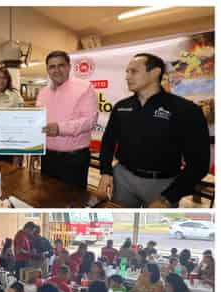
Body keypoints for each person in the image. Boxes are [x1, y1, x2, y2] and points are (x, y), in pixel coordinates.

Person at [97, 53, 210, 208]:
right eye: (127, 72)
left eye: (134, 71)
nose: (127, 76)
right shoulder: (121, 106)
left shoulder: (186, 110)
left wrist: (168, 197)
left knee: (155, 230)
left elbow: (199, 164)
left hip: (163, 185)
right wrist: (106, 172)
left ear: (155, 72)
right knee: (120, 226)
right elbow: (108, 141)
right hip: (123, 180)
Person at [36, 50, 98, 188]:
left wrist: (60, 128)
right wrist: (33, 149)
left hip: (73, 159)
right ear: (47, 69)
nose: (56, 70)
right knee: (47, 196)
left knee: (74, 202)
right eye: (52, 66)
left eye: (61, 65)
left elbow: (90, 121)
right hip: (47, 157)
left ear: (69, 67)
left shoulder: (84, 88)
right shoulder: (42, 93)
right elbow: (37, 122)